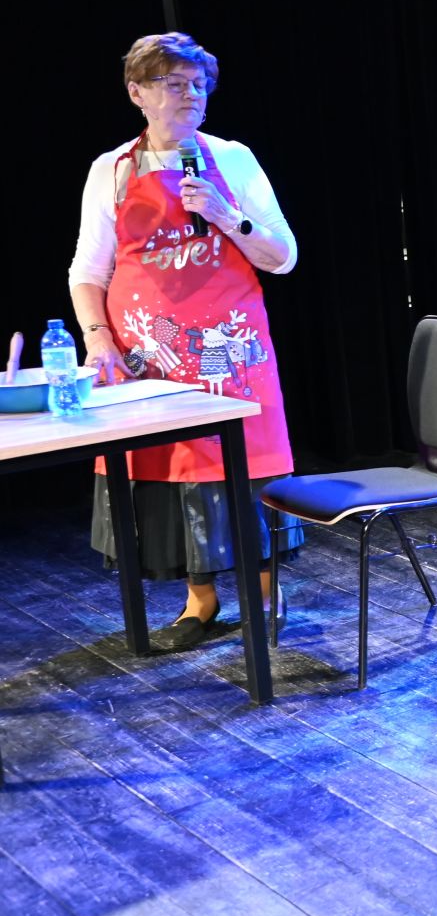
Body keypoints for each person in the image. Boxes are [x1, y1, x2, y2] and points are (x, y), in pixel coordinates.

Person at [68, 32, 304, 652]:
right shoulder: (111, 170)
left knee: (244, 471)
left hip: (230, 351)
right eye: (173, 83)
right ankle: (201, 601)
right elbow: (88, 271)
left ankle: (266, 596)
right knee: (171, 473)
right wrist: (98, 339)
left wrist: (227, 215)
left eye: (199, 84)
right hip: (151, 355)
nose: (190, 94)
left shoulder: (233, 160)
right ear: (137, 93)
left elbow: (283, 257)